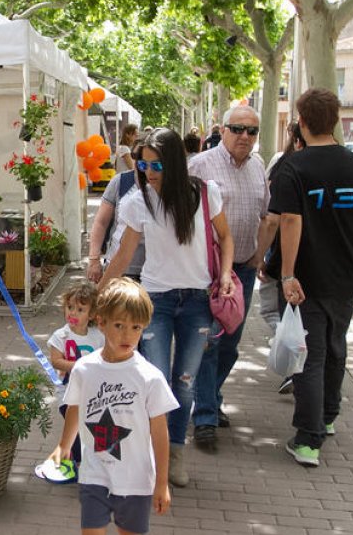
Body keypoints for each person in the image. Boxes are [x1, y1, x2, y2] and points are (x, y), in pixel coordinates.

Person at [99, 128, 234, 488]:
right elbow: (123, 256)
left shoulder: (206, 193)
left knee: (185, 383)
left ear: (174, 161)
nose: (148, 171)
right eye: (142, 164)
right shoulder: (137, 200)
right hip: (155, 300)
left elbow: (226, 237)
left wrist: (224, 275)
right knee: (154, 380)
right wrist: (99, 296)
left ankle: (174, 453)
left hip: (198, 302)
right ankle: (150, 454)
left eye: (155, 164)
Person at [270, 89, 353, 468]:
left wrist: (287, 273)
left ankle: (308, 438)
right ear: (335, 121)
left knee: (310, 356)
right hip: (350, 274)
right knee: (335, 346)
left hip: (308, 277)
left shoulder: (294, 168)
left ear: (301, 122)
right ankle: (328, 417)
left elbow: (289, 220)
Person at [48, 278, 177, 535]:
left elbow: (160, 432)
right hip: (94, 473)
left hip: (136, 480)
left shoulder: (150, 377)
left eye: (135, 327)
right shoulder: (84, 369)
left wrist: (162, 483)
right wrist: (63, 445)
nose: (127, 335)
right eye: (119, 325)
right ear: (102, 322)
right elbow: (75, 407)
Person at [189, 105, 270, 452]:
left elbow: (266, 215)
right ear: (222, 130)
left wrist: (259, 254)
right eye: (237, 129)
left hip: (244, 270)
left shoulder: (259, 167)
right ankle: (205, 416)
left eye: (252, 131)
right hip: (208, 271)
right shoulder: (200, 165)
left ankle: (209, 396)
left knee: (231, 344)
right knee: (209, 342)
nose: (244, 137)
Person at [257, 122, 307, 396]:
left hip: (281, 257)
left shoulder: (284, 165)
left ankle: (296, 361)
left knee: (271, 309)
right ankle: (299, 364)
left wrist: (260, 254)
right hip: (319, 262)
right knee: (306, 320)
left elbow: (273, 217)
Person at [47, 280, 104, 473]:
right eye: (70, 307)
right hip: (68, 393)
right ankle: (77, 462)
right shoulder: (60, 336)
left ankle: (82, 459)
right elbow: (56, 361)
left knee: (90, 428)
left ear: (92, 315)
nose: (73, 313)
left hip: (92, 394)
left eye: (80, 309)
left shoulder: (98, 336)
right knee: (76, 428)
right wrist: (79, 366)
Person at [86, 169, 142, 285]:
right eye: (136, 156)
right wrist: (94, 259)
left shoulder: (169, 182)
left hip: (156, 275)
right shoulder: (122, 181)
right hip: (117, 269)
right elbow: (101, 222)